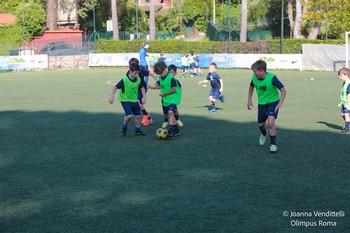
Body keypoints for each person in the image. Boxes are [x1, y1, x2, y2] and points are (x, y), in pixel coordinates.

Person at [247, 60, 286, 153]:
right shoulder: (254, 78)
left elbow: (283, 90)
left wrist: (279, 104)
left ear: (262, 71)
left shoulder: (272, 78)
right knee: (261, 125)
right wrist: (249, 99)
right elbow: (251, 86)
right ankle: (264, 133)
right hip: (262, 104)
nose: (254, 73)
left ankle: (273, 145)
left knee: (271, 123)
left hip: (273, 103)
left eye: (255, 71)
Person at [109, 63, 146, 137]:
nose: (137, 75)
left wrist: (144, 96)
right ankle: (123, 127)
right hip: (125, 100)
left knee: (139, 115)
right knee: (129, 115)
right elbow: (115, 88)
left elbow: (142, 88)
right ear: (130, 71)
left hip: (134, 100)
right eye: (135, 73)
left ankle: (137, 130)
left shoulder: (138, 79)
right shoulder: (124, 80)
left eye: (138, 73)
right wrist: (111, 96)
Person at [149, 61, 182, 137]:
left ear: (165, 69)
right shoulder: (161, 77)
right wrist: (152, 87)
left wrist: (164, 94)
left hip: (174, 97)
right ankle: (176, 130)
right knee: (169, 113)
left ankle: (170, 130)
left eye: (161, 73)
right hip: (166, 98)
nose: (160, 75)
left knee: (170, 112)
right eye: (159, 74)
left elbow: (174, 89)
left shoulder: (171, 78)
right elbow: (162, 86)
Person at [127, 57, 158, 126]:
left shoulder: (140, 70)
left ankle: (147, 117)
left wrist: (157, 80)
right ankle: (144, 116)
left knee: (137, 102)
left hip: (142, 88)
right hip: (135, 90)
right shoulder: (128, 72)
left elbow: (151, 73)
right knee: (136, 104)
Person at [160, 64, 184, 128]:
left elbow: (180, 87)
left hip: (172, 98)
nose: (171, 74)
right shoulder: (165, 79)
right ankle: (165, 121)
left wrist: (178, 94)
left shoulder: (175, 81)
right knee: (165, 111)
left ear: (175, 73)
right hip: (165, 98)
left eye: (173, 72)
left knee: (174, 110)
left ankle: (177, 119)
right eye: (170, 72)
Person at [139, 42, 154, 125]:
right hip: (144, 65)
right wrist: (149, 66)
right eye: (148, 44)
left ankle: (147, 116)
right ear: (145, 45)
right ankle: (146, 116)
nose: (149, 46)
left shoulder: (141, 50)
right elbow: (146, 58)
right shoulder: (144, 50)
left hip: (141, 65)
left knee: (138, 102)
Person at [337, 67, 350, 133]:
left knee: (346, 114)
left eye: (341, 76)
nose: (340, 77)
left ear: (346, 75)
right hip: (344, 102)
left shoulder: (349, 83)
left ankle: (347, 128)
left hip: (348, 102)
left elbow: (349, 94)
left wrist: (346, 102)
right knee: (342, 114)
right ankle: (348, 124)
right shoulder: (344, 83)